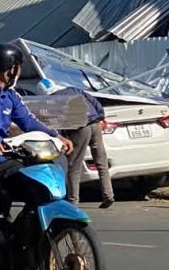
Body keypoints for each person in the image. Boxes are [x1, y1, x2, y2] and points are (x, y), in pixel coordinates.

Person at [0, 43, 74, 270]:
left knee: (38, 184)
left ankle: (23, 237)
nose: (19, 72)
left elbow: (28, 121)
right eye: (18, 67)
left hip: (4, 160)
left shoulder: (11, 95)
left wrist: (57, 136)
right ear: (10, 68)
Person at [37, 79, 115, 209]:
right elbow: (94, 102)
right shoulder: (74, 89)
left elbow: (56, 122)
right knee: (101, 162)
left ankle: (73, 201)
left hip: (79, 128)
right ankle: (108, 195)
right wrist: (101, 116)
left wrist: (61, 137)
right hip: (95, 124)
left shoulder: (51, 101)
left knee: (74, 167)